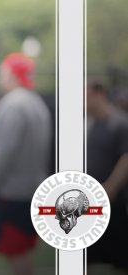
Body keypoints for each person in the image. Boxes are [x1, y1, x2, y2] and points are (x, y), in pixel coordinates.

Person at [0, 53, 52, 275]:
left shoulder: (12, 105)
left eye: (3, 74)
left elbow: (3, 152)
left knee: (17, 253)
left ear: (12, 75)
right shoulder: (38, 104)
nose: (0, 79)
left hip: (12, 193)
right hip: (34, 190)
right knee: (24, 252)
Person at [85, 79, 128, 274]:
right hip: (89, 204)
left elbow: (126, 157)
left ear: (99, 93)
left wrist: (111, 187)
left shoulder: (119, 123)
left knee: (118, 260)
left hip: (115, 205)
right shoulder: (85, 124)